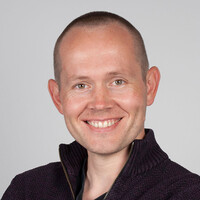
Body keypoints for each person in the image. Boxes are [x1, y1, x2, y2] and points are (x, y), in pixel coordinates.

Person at [2, 11, 200, 200]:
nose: (100, 104)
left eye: (118, 82)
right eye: (81, 85)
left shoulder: (189, 194)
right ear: (58, 97)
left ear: (150, 86)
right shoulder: (27, 190)